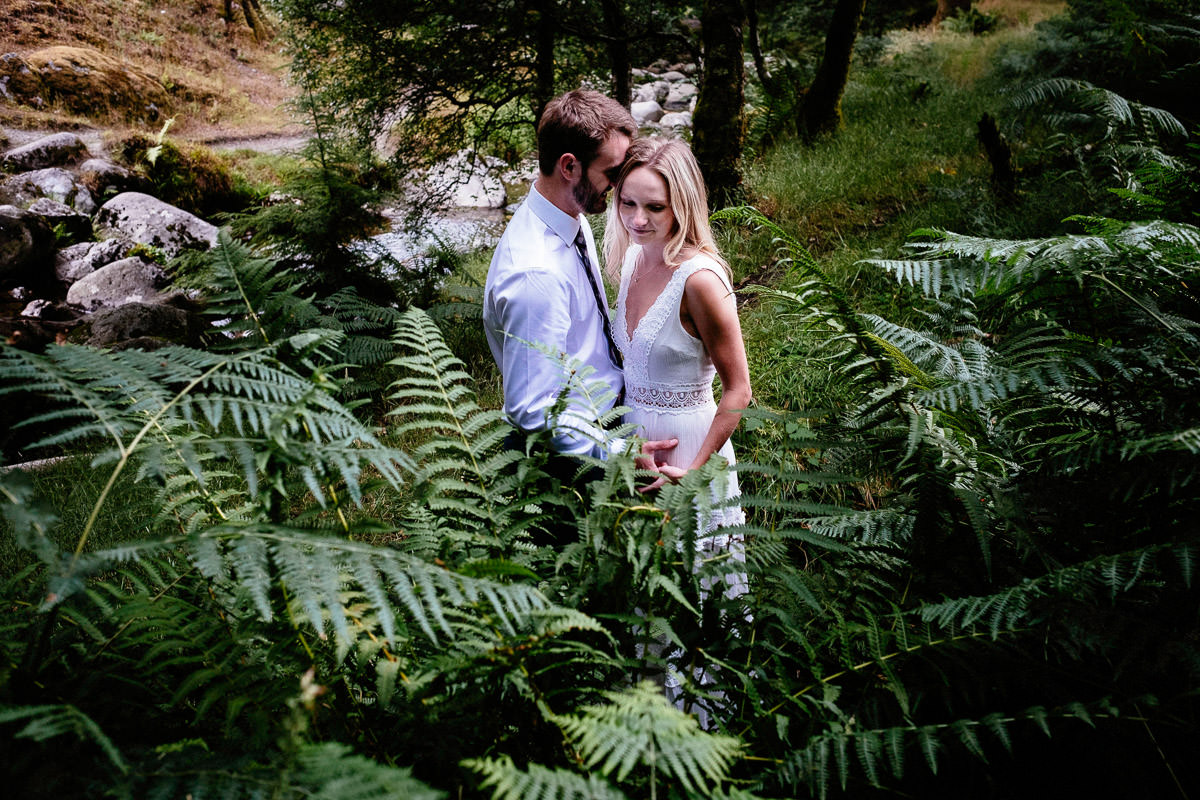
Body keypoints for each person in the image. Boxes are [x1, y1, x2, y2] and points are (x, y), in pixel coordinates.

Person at [604, 137, 752, 727]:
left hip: (691, 453)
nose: (637, 220)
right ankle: (648, 728)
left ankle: (707, 728)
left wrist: (695, 472)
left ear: (682, 205)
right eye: (627, 203)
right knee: (646, 593)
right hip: (634, 450)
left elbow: (739, 389)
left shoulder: (700, 280)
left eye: (654, 208)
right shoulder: (634, 257)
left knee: (699, 596)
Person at [483, 89, 677, 482]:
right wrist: (620, 453)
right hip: (570, 462)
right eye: (611, 172)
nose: (620, 185)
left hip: (602, 423)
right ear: (569, 166)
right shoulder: (535, 274)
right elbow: (535, 409)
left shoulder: (569, 215)